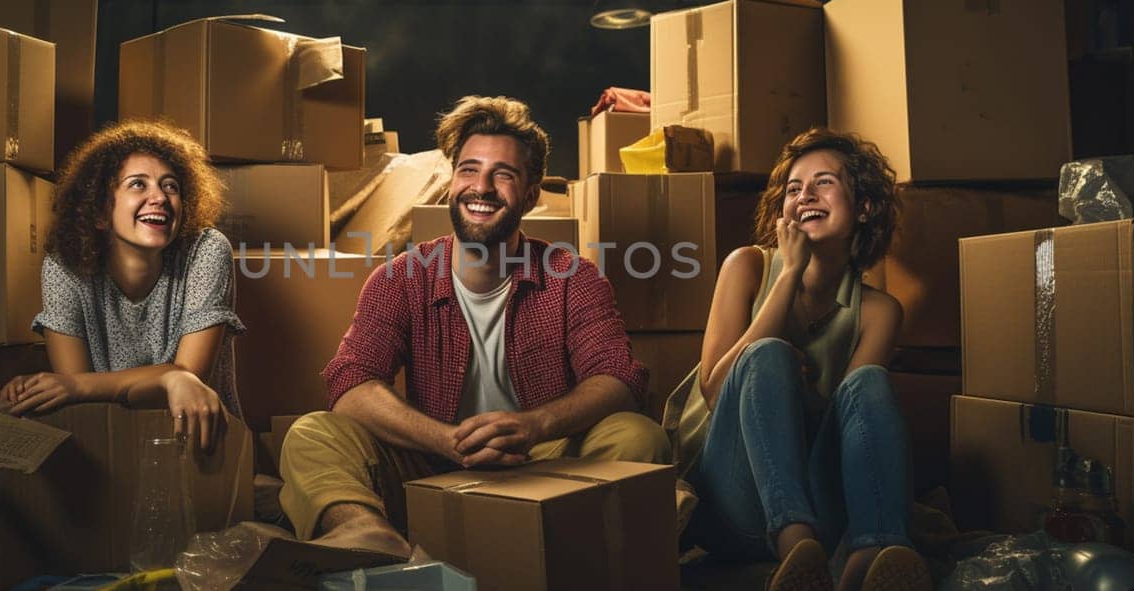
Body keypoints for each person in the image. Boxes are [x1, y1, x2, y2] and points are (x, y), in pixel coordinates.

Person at [277, 95, 671, 558]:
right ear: (452, 181)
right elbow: (351, 382)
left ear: (530, 192)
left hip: (545, 463)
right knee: (311, 433)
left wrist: (533, 425)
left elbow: (621, 379)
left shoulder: (572, 277)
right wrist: (448, 441)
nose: (480, 187)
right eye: (468, 169)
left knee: (638, 435)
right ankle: (371, 535)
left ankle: (560, 553)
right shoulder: (402, 277)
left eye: (502, 174)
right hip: (433, 463)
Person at [663, 128, 930, 591]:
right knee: (766, 354)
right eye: (793, 188)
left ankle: (873, 555)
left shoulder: (880, 311)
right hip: (731, 503)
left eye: (824, 182)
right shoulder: (746, 266)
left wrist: (801, 394)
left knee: (870, 381)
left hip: (817, 496)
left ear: (864, 207)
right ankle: (797, 552)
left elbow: (855, 428)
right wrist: (787, 276)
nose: (805, 194)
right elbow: (714, 388)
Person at [1, 120, 245, 451]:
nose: (159, 197)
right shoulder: (63, 265)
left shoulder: (207, 251)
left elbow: (191, 379)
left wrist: (82, 386)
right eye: (138, 185)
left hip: (200, 445)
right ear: (100, 211)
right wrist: (168, 376)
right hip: (108, 446)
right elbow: (77, 396)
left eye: (170, 186)